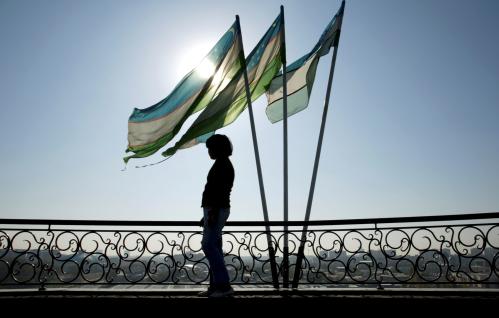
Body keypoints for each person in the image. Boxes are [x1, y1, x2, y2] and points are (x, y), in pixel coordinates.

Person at [198, 134, 235, 298]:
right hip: (214, 210)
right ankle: (215, 286)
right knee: (215, 247)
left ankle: (224, 286)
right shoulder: (221, 164)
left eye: (211, 148)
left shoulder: (223, 166)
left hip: (216, 209)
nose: (209, 152)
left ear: (219, 148)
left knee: (208, 245)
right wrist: (207, 215)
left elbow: (219, 191)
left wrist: (211, 213)